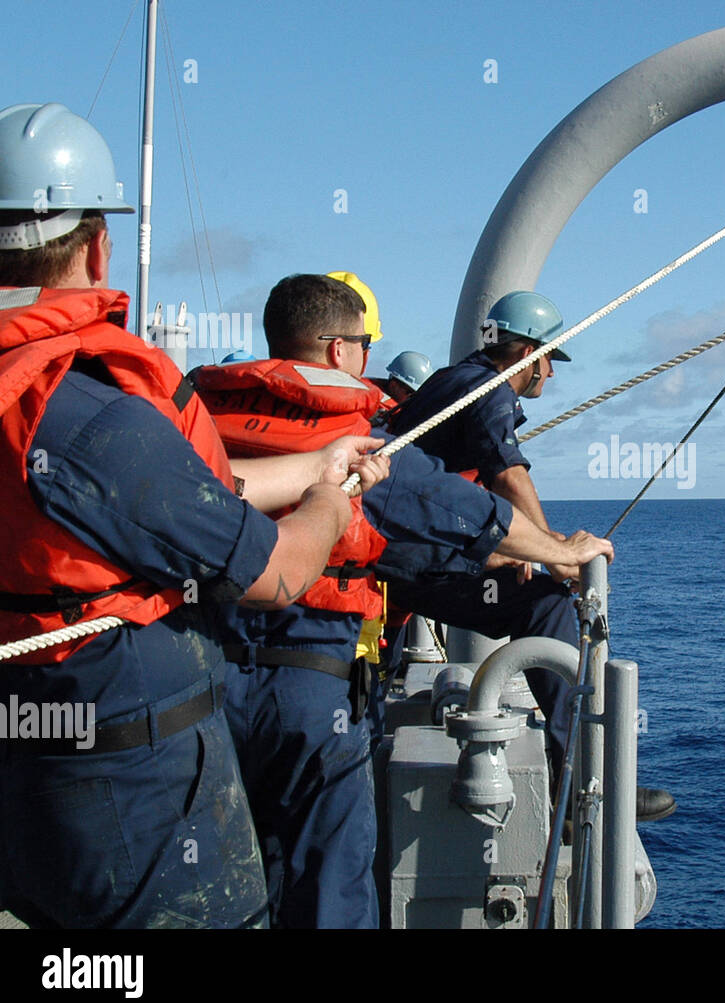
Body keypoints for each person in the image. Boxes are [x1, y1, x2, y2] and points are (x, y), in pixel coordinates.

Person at [0, 103, 376, 928]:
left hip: (21, 770)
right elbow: (274, 573)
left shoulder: (26, 405)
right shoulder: (92, 417)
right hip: (132, 801)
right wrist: (328, 502)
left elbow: (133, 507)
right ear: (96, 244)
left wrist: (311, 464)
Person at [192, 273, 615, 927]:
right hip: (309, 681)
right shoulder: (356, 446)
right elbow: (475, 510)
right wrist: (562, 551)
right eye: (364, 343)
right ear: (339, 352)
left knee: (238, 866)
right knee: (331, 874)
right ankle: (585, 779)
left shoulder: (194, 424)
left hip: (199, 683)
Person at [389, 290, 676, 821]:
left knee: (530, 592)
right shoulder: (491, 388)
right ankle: (586, 780)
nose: (552, 373)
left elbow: (471, 482)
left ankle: (580, 771)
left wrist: (515, 545)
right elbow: (506, 472)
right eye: (550, 359)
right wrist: (558, 554)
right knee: (545, 605)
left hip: (393, 554)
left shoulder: (450, 380)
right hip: (408, 560)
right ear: (526, 354)